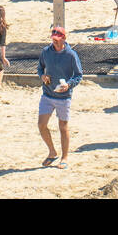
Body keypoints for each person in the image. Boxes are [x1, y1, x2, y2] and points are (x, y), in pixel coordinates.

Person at [38, 25, 82, 168]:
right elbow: (40, 67)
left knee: (63, 127)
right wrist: (42, 76)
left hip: (64, 96)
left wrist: (68, 85)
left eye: (57, 39)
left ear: (64, 38)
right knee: (41, 124)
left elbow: (78, 75)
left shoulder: (71, 55)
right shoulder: (46, 52)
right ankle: (52, 152)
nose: (55, 42)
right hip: (48, 93)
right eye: (53, 39)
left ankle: (65, 157)